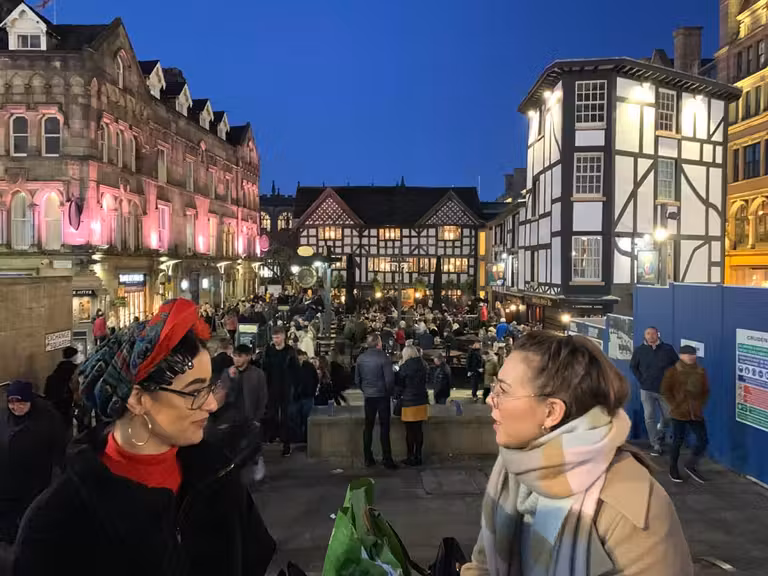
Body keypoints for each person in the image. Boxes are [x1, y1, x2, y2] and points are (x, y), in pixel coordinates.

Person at [13, 299, 276, 576]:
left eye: (209, 387)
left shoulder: (218, 474)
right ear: (137, 399)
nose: (211, 404)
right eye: (194, 391)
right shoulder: (58, 520)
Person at [461, 331, 693, 576]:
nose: (491, 400)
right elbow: (482, 566)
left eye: (504, 391)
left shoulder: (635, 509)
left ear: (551, 412)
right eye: (495, 386)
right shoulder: (517, 465)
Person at [0, 380, 65, 545]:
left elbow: (59, 449)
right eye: (12, 403)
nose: (16, 407)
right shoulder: (3, 418)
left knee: (31, 517)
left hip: (35, 480)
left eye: (21, 402)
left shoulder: (48, 419)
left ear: (30, 400)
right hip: (7, 481)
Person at [211, 344, 269, 490]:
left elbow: (263, 397)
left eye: (240, 356)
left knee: (252, 446)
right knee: (234, 449)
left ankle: (257, 462)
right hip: (232, 418)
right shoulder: (228, 373)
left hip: (250, 417)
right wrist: (231, 379)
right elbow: (225, 396)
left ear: (248, 357)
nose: (236, 359)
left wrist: (258, 418)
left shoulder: (258, 374)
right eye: (235, 356)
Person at [661, 345, 710, 484]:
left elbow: (706, 390)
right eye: (687, 354)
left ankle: (690, 464)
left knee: (703, 440)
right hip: (679, 413)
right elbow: (665, 390)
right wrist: (675, 405)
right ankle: (673, 468)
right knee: (677, 442)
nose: (691, 357)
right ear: (681, 356)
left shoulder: (701, 371)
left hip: (696, 412)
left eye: (693, 354)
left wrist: (700, 404)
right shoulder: (672, 371)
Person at [630, 326, 679, 456]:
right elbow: (633, 366)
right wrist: (642, 380)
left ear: (658, 334)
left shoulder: (668, 349)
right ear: (644, 336)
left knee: (669, 416)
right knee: (649, 417)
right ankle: (655, 444)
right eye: (648, 334)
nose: (650, 336)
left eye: (653, 333)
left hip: (664, 390)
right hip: (646, 390)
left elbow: (677, 365)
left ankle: (660, 431)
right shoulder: (639, 350)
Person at [356, 334, 397, 469]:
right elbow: (390, 380)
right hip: (382, 397)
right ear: (378, 343)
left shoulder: (361, 359)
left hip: (369, 396)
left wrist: (365, 390)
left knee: (368, 427)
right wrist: (388, 393)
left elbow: (357, 380)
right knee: (384, 428)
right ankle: (387, 458)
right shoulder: (383, 358)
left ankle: (368, 457)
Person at [262, 325, 300, 456]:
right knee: (271, 414)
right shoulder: (269, 350)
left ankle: (286, 444)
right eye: (274, 338)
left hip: (285, 388)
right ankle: (272, 435)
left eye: (277, 337)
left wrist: (294, 386)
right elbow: (264, 367)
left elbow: (296, 370)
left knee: (286, 417)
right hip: (272, 387)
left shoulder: (290, 351)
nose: (275, 340)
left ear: (283, 336)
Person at [395, 345, 428, 466]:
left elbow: (399, 386)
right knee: (419, 430)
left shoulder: (404, 368)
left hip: (409, 402)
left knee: (409, 431)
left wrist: (396, 396)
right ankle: (418, 456)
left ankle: (410, 456)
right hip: (421, 401)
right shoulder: (424, 366)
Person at [44, 345, 83, 433]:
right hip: (69, 404)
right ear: (74, 356)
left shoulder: (55, 372)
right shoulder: (77, 372)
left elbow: (47, 392)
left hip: (55, 406)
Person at [295, 350, 319, 443]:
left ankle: (306, 438)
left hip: (308, 396)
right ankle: (298, 437)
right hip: (296, 397)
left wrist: (312, 391)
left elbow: (315, 379)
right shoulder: (292, 367)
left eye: (300, 358)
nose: (300, 360)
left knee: (307, 418)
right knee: (296, 419)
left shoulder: (309, 366)